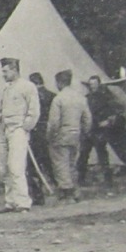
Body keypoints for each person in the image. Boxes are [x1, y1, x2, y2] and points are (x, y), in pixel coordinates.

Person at [0, 57, 39, 213]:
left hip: (18, 130)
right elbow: (0, 108)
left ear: (14, 69)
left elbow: (34, 111)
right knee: (4, 168)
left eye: (5, 71)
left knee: (16, 166)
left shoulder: (28, 87)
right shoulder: (6, 88)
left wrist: (25, 128)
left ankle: (23, 203)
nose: (3, 74)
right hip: (4, 130)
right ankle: (10, 202)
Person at [46, 69, 92, 202]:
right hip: (76, 133)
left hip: (61, 135)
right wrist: (84, 131)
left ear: (59, 82)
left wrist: (50, 136)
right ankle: (76, 191)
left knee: (61, 164)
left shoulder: (58, 99)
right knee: (72, 163)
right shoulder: (81, 98)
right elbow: (87, 118)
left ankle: (67, 193)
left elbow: (54, 122)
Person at [78, 75, 117, 186]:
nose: (93, 87)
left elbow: (113, 114)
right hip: (88, 130)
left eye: (95, 84)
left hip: (99, 130)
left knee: (102, 155)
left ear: (99, 85)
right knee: (83, 155)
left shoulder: (106, 98)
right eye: (91, 85)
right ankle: (81, 179)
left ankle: (108, 181)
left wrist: (108, 122)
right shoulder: (86, 98)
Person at [26, 72, 56, 206]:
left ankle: (38, 194)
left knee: (32, 165)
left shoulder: (31, 98)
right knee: (50, 162)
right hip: (49, 132)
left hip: (35, 133)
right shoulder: (53, 96)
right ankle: (58, 187)